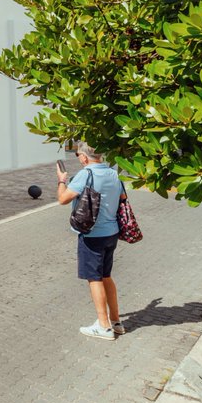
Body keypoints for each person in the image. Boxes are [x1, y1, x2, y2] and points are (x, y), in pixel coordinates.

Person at [57, 143, 124, 340]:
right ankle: (116, 321)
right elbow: (122, 197)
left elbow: (63, 199)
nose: (79, 158)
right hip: (111, 233)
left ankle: (103, 326)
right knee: (106, 276)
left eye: (78, 154)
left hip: (92, 234)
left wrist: (62, 181)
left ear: (85, 158)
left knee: (94, 279)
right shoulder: (113, 173)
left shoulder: (86, 174)